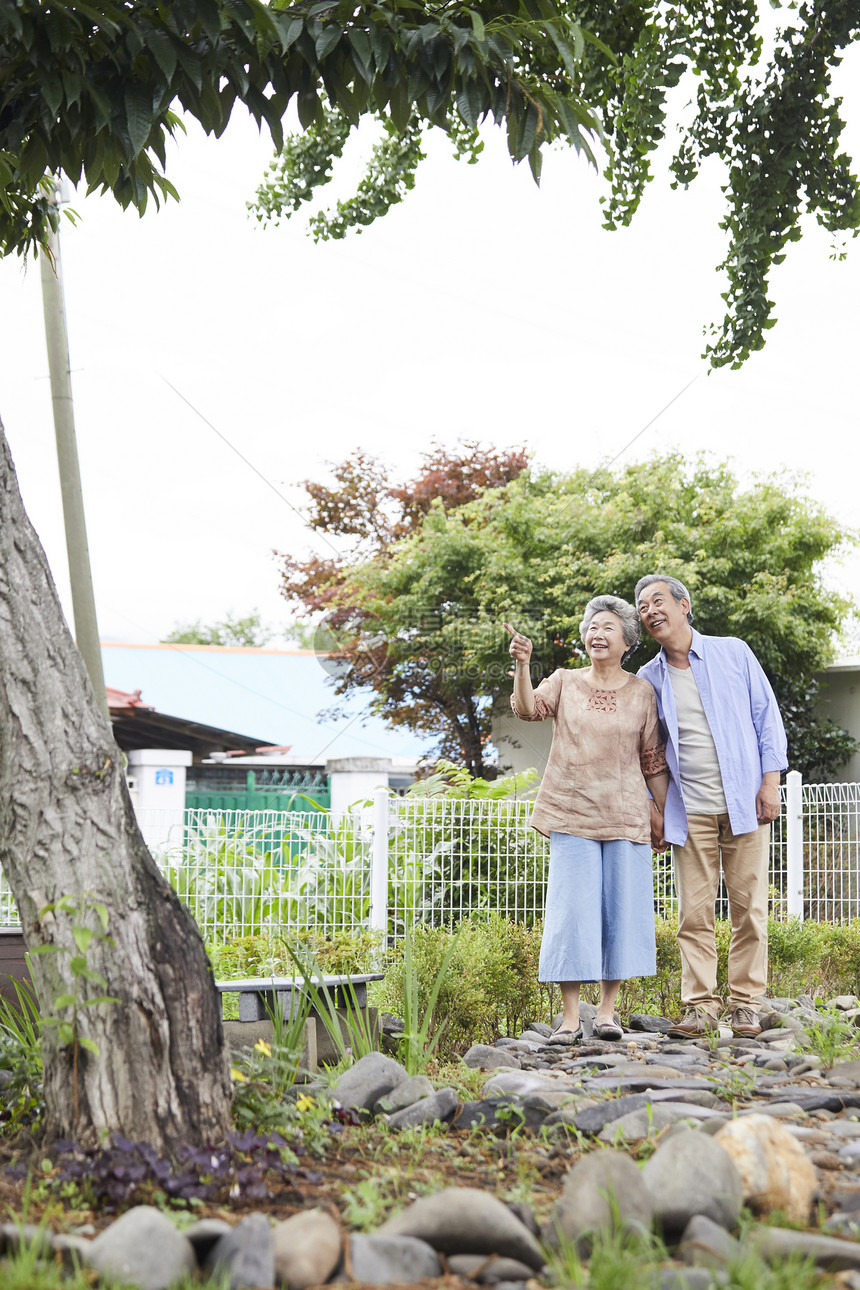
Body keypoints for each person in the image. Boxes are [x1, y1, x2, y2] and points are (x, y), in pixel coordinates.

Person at [506, 595, 669, 1044]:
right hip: (571, 812)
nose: (598, 634)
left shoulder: (642, 692)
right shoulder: (564, 681)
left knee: (622, 912)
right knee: (572, 914)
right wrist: (524, 666)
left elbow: (653, 760)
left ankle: (609, 1014)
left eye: (609, 628)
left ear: (627, 641)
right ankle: (570, 1018)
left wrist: (662, 813)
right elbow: (526, 709)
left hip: (627, 814)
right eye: (593, 626)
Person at [634, 574, 788, 1039]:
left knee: (750, 911)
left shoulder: (733, 652)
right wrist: (654, 809)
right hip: (690, 811)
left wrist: (770, 783)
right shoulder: (648, 678)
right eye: (642, 608)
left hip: (745, 804)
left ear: (684, 605)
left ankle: (745, 1004)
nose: (649, 611)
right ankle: (701, 1007)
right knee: (693, 915)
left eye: (657, 601)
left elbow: (767, 717)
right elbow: (647, 749)